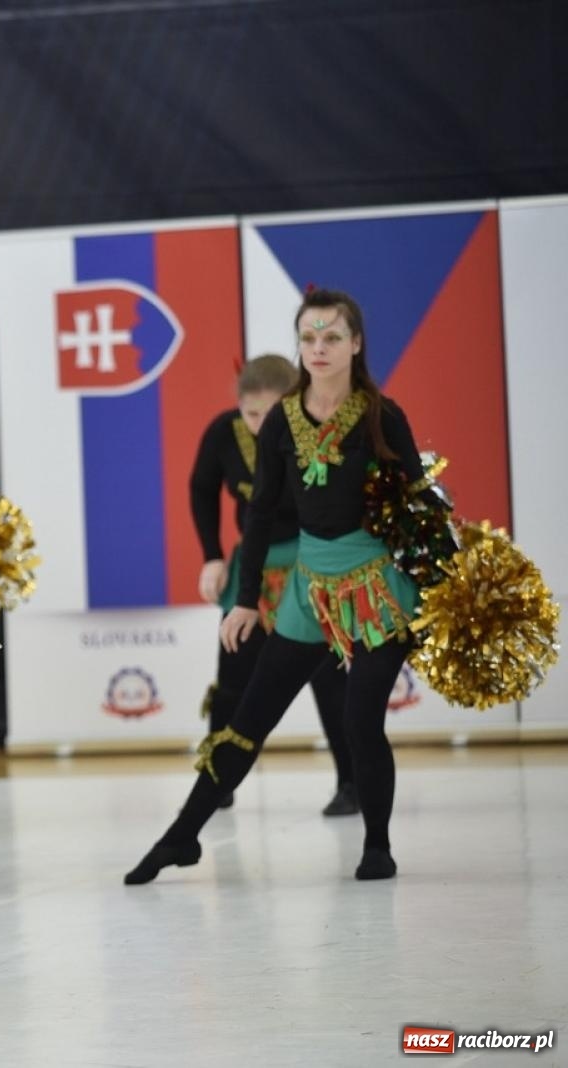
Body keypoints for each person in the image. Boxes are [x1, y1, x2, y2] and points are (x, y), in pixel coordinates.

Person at [126, 288, 430, 886]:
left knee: (361, 720)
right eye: (309, 338)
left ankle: (377, 845)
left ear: (356, 344)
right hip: (305, 590)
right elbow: (261, 513)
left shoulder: (380, 415)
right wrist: (244, 600)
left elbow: (419, 506)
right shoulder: (283, 422)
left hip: (376, 591)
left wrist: (440, 587)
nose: (318, 348)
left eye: (332, 337)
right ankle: (180, 839)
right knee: (247, 718)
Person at [190, 354, 356, 816]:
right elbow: (201, 488)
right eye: (251, 414)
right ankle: (218, 780)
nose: (262, 424)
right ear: (238, 408)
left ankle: (352, 782)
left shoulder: (318, 429)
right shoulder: (224, 434)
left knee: (329, 678)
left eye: (271, 412)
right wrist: (212, 555)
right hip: (254, 570)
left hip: (314, 566)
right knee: (233, 679)